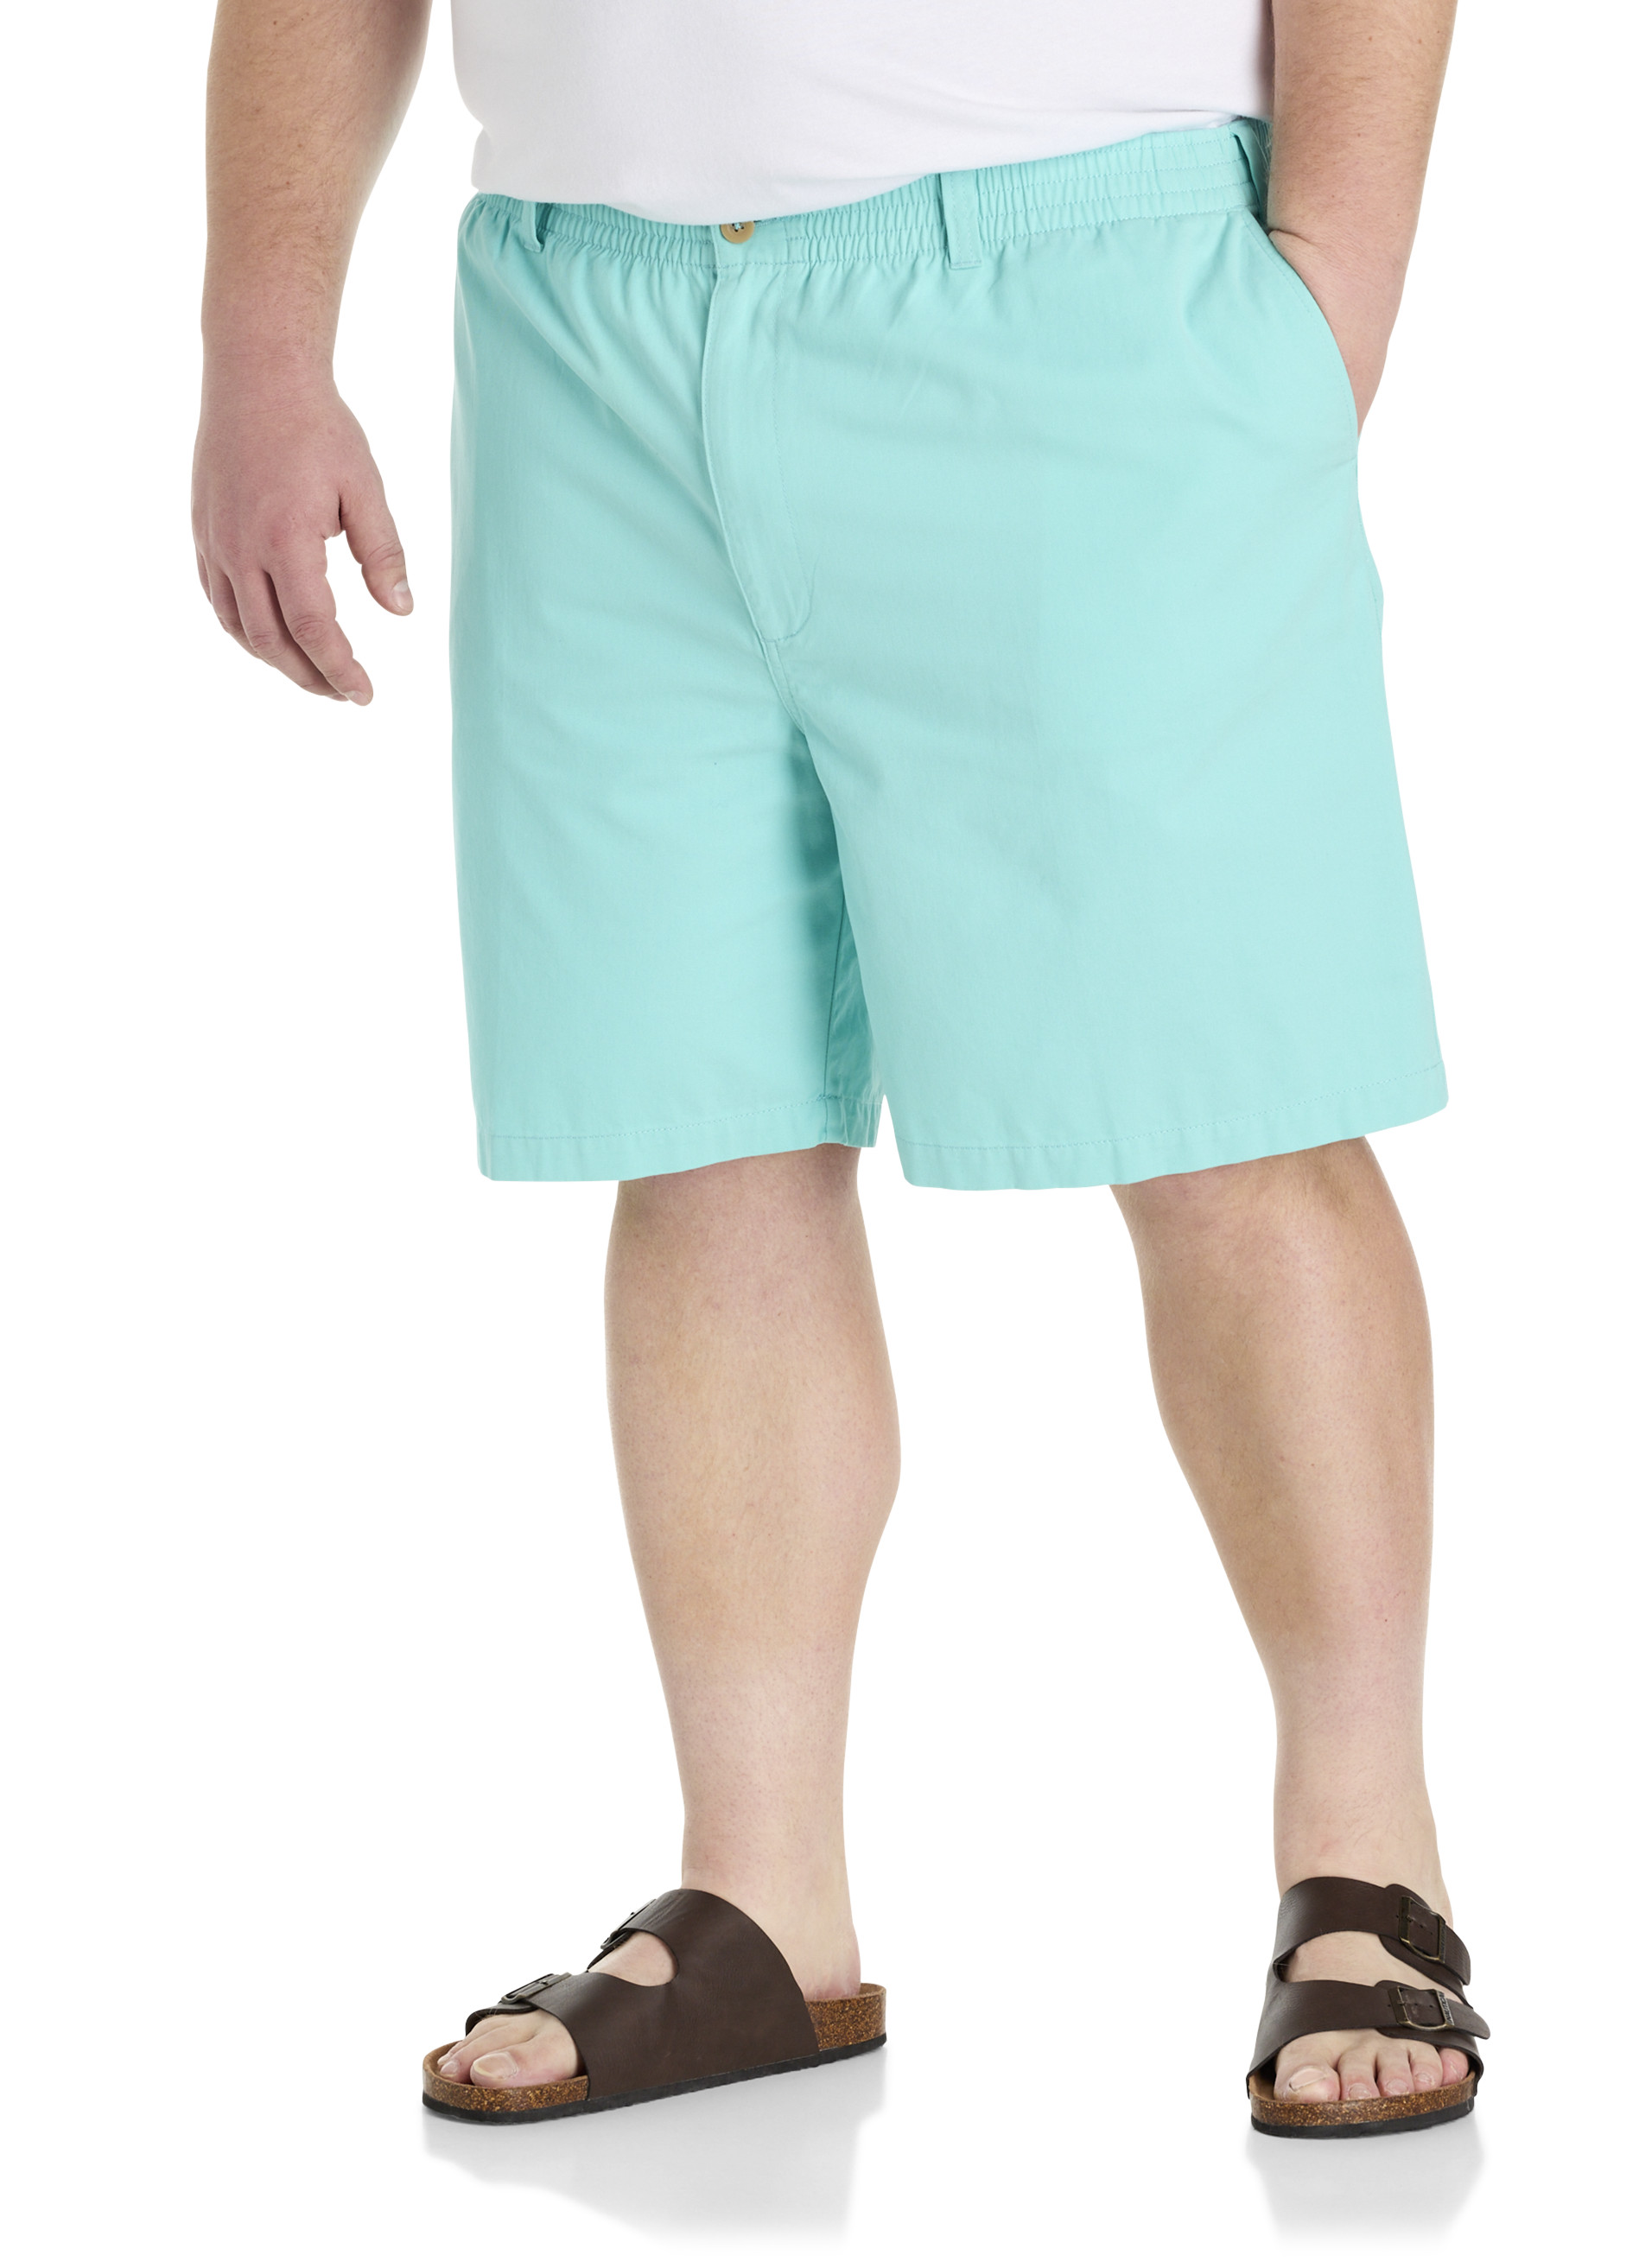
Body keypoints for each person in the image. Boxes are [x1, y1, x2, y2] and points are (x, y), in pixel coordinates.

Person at [194, 0, 1488, 2138]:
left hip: (1075, 277)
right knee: (699, 1117)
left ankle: (1370, 1862)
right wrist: (263, 334)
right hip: (583, 319)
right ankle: (761, 1903)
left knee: (1225, 1115)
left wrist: (1321, 300)